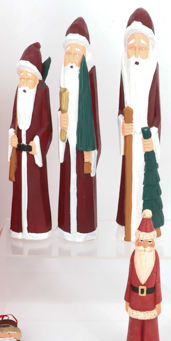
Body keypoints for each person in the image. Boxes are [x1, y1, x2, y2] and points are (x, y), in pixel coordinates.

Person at [115, 8, 161, 240]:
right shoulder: (125, 73)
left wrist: (152, 137)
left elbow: (157, 112)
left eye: (142, 49)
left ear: (149, 51)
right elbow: (120, 108)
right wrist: (122, 124)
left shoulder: (152, 73)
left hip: (144, 140)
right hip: (129, 139)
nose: (136, 55)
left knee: (146, 183)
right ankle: (127, 227)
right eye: (132, 48)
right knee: (128, 183)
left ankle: (147, 229)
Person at [56, 17, 102, 241]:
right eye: (69, 54)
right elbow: (61, 110)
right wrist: (61, 121)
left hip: (84, 145)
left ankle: (84, 230)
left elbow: (94, 118)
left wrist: (92, 148)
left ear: (85, 56)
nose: (72, 60)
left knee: (83, 188)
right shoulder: (63, 83)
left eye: (77, 54)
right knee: (67, 184)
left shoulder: (89, 79)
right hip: (68, 147)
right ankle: (66, 228)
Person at [8, 42, 53, 240]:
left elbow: (47, 123)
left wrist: (38, 142)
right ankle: (19, 228)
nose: (25, 82)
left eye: (29, 78)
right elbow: (13, 120)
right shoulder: (19, 92)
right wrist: (11, 135)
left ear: (36, 78)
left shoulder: (42, 92)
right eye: (22, 78)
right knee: (19, 191)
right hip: (19, 154)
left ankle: (38, 228)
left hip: (34, 155)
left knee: (36, 190)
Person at [121, 210, 163, 341]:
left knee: (151, 326)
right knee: (135, 325)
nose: (145, 245)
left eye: (149, 241)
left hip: (150, 299)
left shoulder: (155, 256)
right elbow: (129, 278)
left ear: (153, 242)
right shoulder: (134, 255)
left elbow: (158, 281)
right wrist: (127, 299)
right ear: (137, 240)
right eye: (141, 240)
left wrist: (158, 301)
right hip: (135, 297)